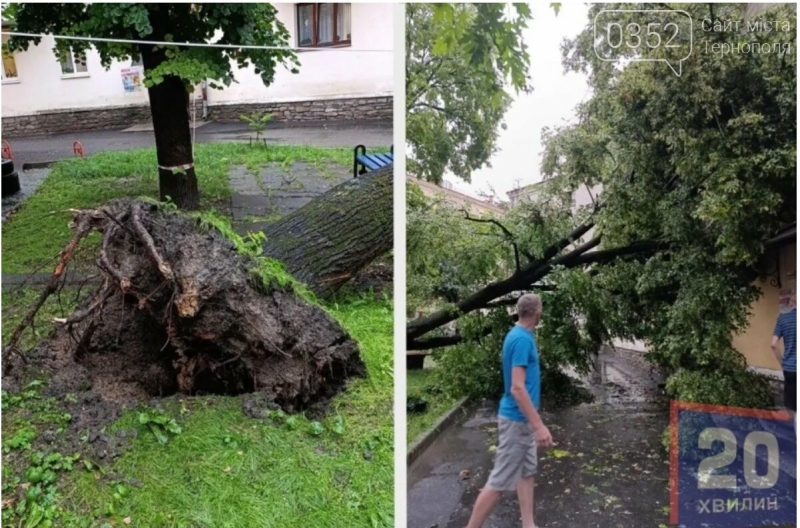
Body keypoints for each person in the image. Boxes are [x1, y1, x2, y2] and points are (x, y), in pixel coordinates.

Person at [466, 293, 553, 528]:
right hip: (517, 420)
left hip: (521, 419)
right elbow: (517, 387)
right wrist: (538, 425)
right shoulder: (523, 340)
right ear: (537, 313)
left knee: (526, 471)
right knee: (499, 482)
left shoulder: (517, 335)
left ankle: (529, 524)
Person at [771, 294, 797, 421]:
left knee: (792, 405)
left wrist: (783, 363)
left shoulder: (783, 319)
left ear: (791, 304)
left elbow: (773, 344)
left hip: (790, 368)